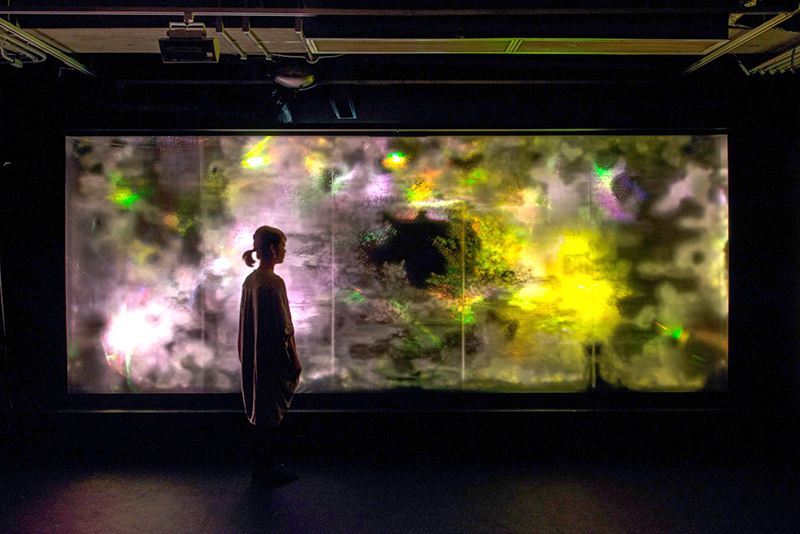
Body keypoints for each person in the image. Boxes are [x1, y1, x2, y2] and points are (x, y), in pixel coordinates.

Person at [239, 225, 302, 485]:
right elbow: (284, 327)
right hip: (272, 358)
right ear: (273, 249)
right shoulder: (273, 283)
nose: (285, 251)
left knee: (261, 412)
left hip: (255, 358)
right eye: (283, 246)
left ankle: (261, 467)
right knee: (272, 413)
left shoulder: (251, 281)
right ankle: (271, 468)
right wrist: (294, 359)